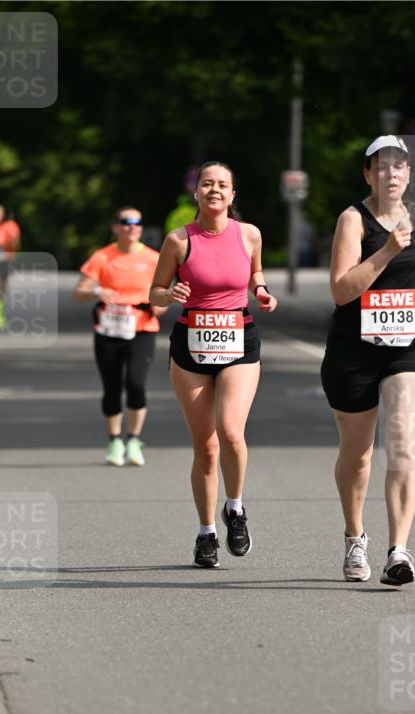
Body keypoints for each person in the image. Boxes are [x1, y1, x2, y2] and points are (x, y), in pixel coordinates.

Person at [321, 135, 415, 585]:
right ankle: (355, 535)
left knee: (402, 437)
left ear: (408, 175)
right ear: (368, 174)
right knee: (357, 455)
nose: (391, 174)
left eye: (399, 166)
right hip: (354, 350)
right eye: (382, 167)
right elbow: (341, 291)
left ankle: (399, 550)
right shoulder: (352, 220)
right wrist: (387, 250)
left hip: (409, 344)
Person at [149, 160, 278, 568]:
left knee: (231, 432)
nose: (215, 190)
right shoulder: (178, 240)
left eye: (223, 185)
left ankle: (235, 509)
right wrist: (170, 294)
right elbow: (153, 292)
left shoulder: (249, 234)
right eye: (208, 184)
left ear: (233, 195)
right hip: (191, 343)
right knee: (205, 447)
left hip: (239, 338)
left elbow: (255, 273)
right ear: (197, 193)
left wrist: (262, 291)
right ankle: (206, 533)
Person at [74, 207, 166, 467]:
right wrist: (96, 292)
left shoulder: (153, 258)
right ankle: (115, 440)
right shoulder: (103, 257)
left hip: (142, 329)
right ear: (115, 227)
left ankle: (134, 439)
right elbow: (79, 291)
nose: (131, 227)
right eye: (125, 222)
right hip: (109, 330)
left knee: (136, 384)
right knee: (112, 387)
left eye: (137, 222)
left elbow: (163, 295)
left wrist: (160, 305)